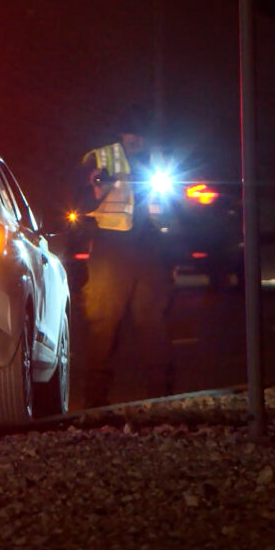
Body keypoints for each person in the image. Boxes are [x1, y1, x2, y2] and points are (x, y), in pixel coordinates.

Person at [74, 107, 175, 409]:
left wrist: (173, 249)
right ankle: (95, 400)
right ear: (121, 134)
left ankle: (162, 398)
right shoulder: (99, 158)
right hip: (111, 248)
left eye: (140, 135)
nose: (136, 140)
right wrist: (99, 187)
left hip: (150, 249)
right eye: (131, 134)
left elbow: (172, 206)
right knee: (104, 323)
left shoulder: (158, 159)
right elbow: (77, 202)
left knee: (152, 322)